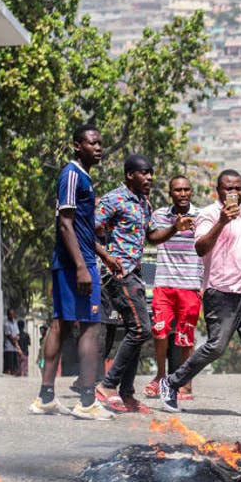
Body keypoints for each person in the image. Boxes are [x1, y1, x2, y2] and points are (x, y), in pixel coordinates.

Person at [157, 169, 241, 420]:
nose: (234, 193)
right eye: (229, 188)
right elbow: (200, 247)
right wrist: (222, 221)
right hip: (221, 293)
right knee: (216, 347)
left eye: (238, 188)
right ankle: (171, 382)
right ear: (219, 191)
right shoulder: (208, 214)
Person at [30, 124, 122, 420]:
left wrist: (104, 254)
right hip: (75, 265)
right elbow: (65, 224)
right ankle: (85, 401)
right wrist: (82, 266)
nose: (98, 148)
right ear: (76, 145)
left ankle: (46, 398)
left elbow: (80, 228)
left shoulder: (83, 176)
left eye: (100, 143)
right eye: (92, 143)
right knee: (91, 327)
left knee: (62, 323)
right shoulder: (71, 175)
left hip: (80, 260)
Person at [93, 154, 155, 414]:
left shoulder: (144, 203)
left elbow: (151, 236)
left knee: (136, 329)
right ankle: (107, 386)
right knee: (141, 329)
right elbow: (87, 232)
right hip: (118, 274)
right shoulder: (112, 200)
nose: (149, 178)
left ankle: (127, 395)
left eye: (151, 173)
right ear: (130, 175)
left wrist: (176, 227)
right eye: (144, 173)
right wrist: (108, 257)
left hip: (136, 273)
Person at [144, 176, 200, 400]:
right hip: (164, 283)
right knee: (159, 331)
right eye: (178, 190)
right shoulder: (158, 215)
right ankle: (160, 377)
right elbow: (153, 240)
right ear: (170, 194)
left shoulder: (201, 216)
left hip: (190, 285)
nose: (183, 193)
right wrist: (175, 227)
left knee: (186, 335)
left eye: (187, 189)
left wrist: (203, 284)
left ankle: (185, 382)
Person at [3, 308, 20, 376]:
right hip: (9, 347)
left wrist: (17, 338)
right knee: (9, 364)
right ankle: (8, 374)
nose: (12, 315)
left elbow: (17, 333)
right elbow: (8, 335)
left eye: (13, 314)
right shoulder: (6, 324)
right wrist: (15, 342)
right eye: (10, 314)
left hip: (14, 348)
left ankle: (13, 374)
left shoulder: (15, 323)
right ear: (8, 315)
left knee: (14, 364)